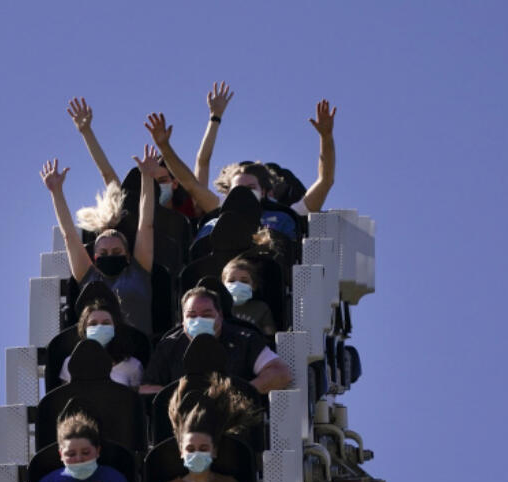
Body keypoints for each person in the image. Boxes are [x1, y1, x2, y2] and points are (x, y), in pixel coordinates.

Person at [144, 99, 337, 220]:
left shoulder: (288, 215)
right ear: (227, 193)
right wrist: (164, 147)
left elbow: (325, 181)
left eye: (251, 188)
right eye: (239, 189)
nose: (244, 193)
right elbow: (191, 184)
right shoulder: (220, 209)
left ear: (266, 192)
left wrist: (326, 137)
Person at [65, 84, 234, 219]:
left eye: (161, 180)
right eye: (152, 181)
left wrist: (215, 117)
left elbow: (202, 161)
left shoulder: (193, 206)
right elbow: (108, 175)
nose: (157, 187)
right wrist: (86, 131)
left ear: (175, 183)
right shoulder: (135, 211)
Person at [40, 149, 159, 335]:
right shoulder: (89, 279)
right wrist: (56, 193)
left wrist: (147, 178)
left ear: (128, 255)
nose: (110, 256)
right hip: (97, 354)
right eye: (103, 254)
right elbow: (69, 236)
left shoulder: (139, 271)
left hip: (136, 354)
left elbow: (146, 225)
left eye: (116, 252)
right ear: (95, 257)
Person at [139, 286, 291, 395]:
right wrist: (181, 395)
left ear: (220, 315)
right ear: (182, 320)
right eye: (191, 315)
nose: (198, 319)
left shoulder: (245, 340)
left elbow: (280, 373)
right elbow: (146, 388)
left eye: (207, 314)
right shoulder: (169, 346)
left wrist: (236, 394)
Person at [59, 300, 144, 389]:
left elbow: (135, 399)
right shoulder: (70, 363)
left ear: (115, 328)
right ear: (85, 329)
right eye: (93, 324)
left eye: (106, 323)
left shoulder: (133, 365)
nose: (99, 327)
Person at [221, 256, 277, 336]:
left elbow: (270, 338)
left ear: (254, 286)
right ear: (223, 285)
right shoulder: (217, 307)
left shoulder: (261, 308)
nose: (237, 285)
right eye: (231, 281)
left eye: (244, 281)